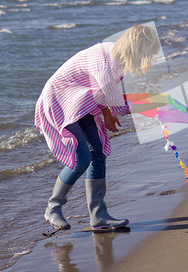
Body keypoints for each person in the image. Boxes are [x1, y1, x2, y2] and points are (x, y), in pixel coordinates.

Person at [35, 25, 163, 230]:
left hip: (81, 101)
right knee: (82, 159)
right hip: (60, 100)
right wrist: (155, 101)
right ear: (138, 49)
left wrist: (106, 113)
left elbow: (99, 92)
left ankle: (99, 216)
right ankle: (53, 207)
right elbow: (119, 105)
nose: (147, 60)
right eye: (147, 54)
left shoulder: (114, 54)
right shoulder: (107, 65)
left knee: (98, 152)